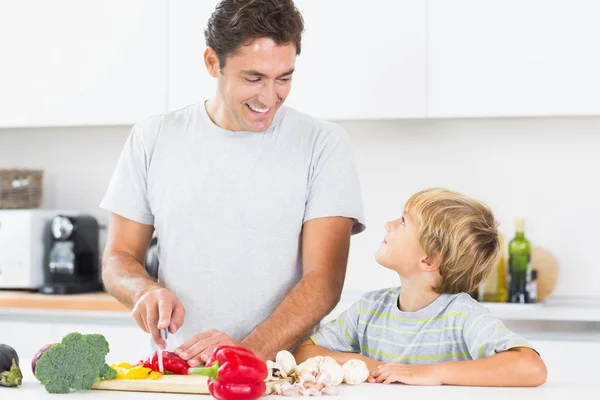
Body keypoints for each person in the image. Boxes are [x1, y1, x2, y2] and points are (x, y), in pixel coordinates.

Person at [100, 0, 365, 367]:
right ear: (213, 62)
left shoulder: (323, 143)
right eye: (254, 78)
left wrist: (245, 355)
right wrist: (143, 290)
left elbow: (323, 283)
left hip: (280, 376)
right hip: (178, 373)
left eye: (284, 78)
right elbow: (118, 258)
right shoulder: (153, 138)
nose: (270, 97)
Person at [293, 188, 547, 387]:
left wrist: (431, 373)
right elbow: (304, 353)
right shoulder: (369, 309)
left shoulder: (462, 316)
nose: (388, 224)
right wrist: (370, 365)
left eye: (403, 221)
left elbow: (531, 367)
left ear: (429, 260)